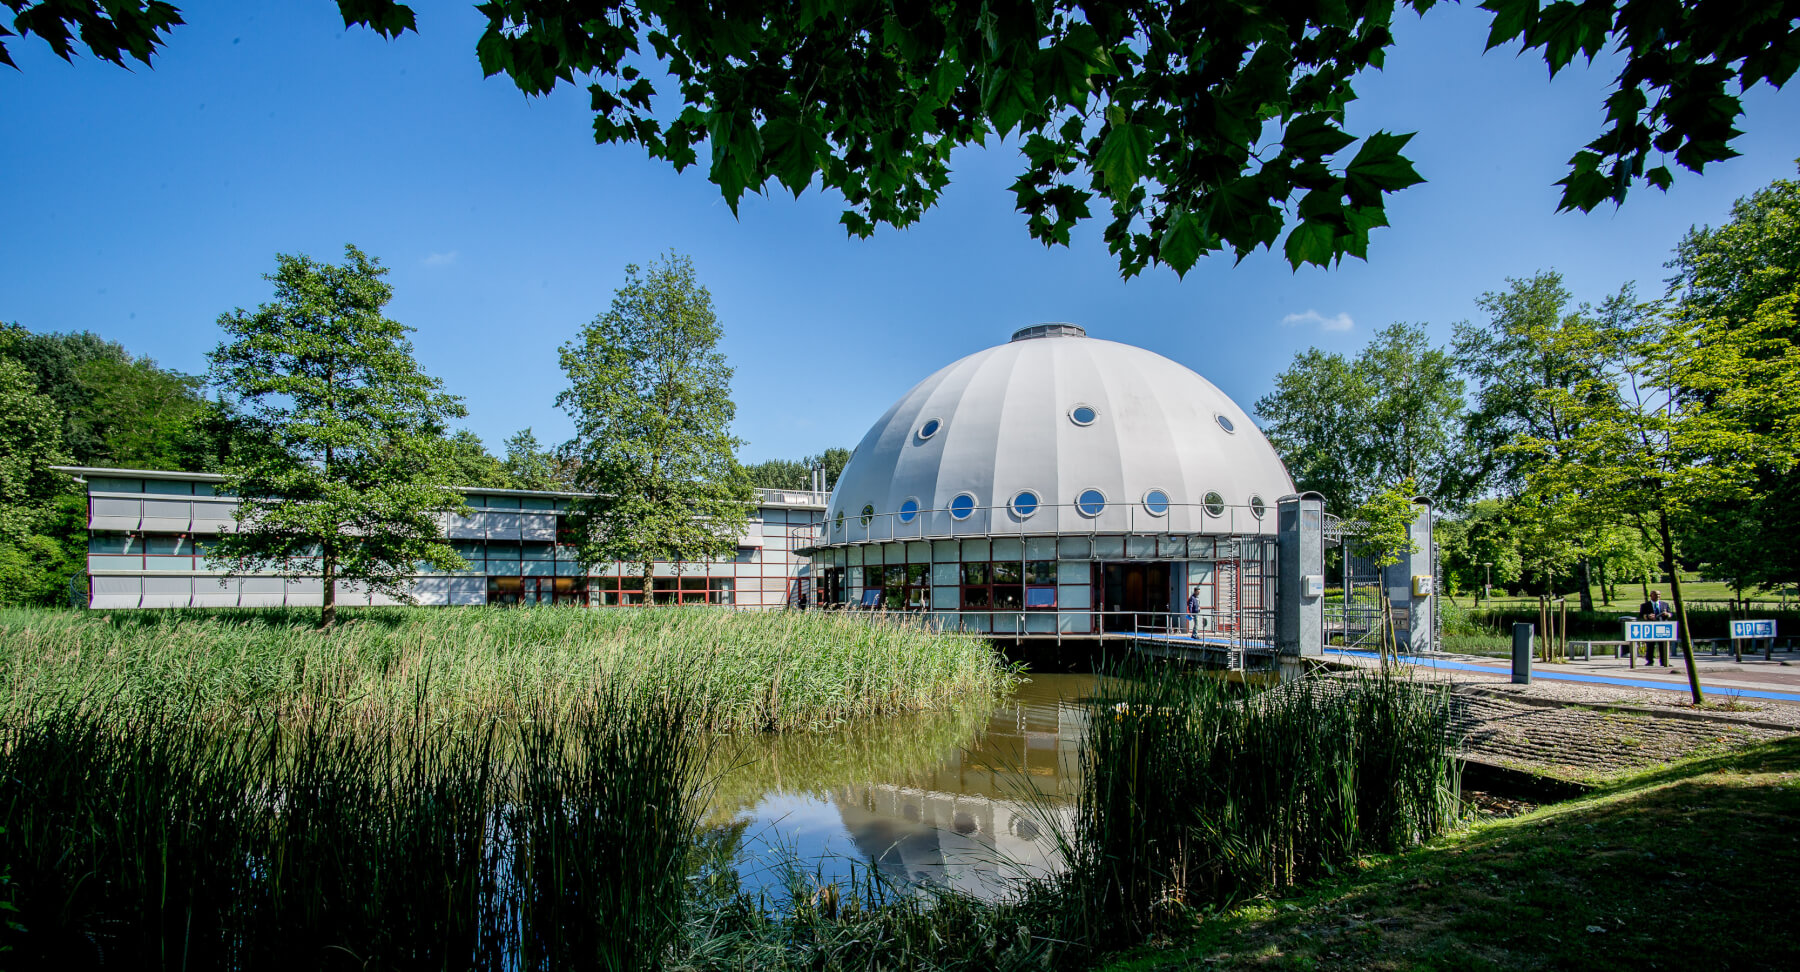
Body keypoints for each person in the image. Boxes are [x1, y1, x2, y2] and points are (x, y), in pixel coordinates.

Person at [1638, 590, 1673, 664]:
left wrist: (1667, 614)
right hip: (1651, 628)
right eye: (1656, 595)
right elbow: (1641, 616)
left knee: (1663, 645)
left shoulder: (1665, 604)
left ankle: (1664, 661)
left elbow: (1670, 614)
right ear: (1651, 596)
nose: (1658, 596)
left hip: (1662, 627)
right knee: (1650, 645)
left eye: (1659, 595)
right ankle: (1650, 661)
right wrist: (1648, 616)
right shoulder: (1645, 605)